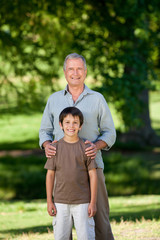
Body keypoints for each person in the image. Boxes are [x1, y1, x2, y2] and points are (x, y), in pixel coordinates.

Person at [39, 53, 116, 240]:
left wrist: (96, 146)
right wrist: (47, 144)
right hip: (62, 170)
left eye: (79, 68)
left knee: (99, 218)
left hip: (92, 167)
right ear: (65, 72)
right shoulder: (54, 99)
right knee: (63, 221)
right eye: (71, 69)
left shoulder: (97, 98)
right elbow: (44, 130)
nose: (75, 73)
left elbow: (110, 133)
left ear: (86, 71)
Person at [44, 106, 97, 240]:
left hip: (83, 202)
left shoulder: (86, 148)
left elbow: (93, 175)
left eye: (75, 122)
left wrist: (93, 202)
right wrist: (50, 201)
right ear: (61, 125)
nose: (71, 126)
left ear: (80, 126)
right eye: (67, 122)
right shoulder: (54, 148)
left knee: (86, 236)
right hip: (60, 202)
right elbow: (50, 175)